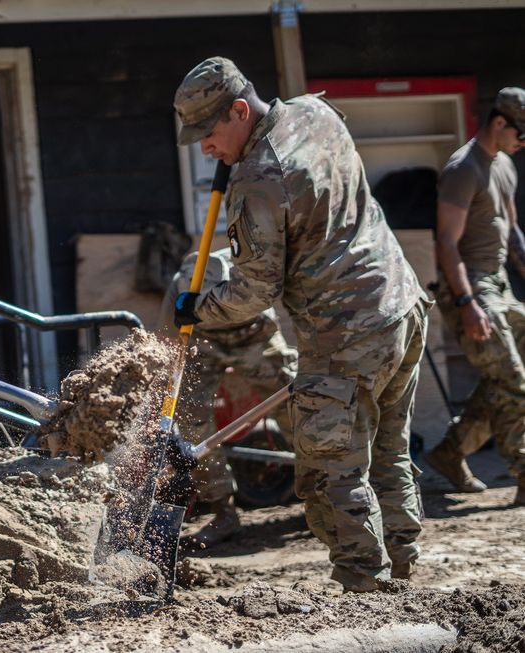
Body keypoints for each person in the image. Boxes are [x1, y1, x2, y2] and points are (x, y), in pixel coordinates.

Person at [172, 57, 429, 592]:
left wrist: (195, 306)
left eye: (209, 132)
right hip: (401, 304)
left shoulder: (258, 182)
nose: (205, 148)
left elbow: (252, 293)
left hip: (345, 331)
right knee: (387, 449)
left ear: (240, 110)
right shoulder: (316, 111)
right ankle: (403, 564)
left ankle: (366, 585)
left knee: (328, 470)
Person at [424, 87, 525, 502]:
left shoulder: (504, 165)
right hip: (469, 287)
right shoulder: (463, 169)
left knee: (506, 375)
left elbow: (512, 229)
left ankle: (451, 452)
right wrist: (467, 304)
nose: (524, 143)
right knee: (514, 380)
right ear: (499, 123)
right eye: (522, 133)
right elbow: (446, 243)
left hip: (498, 283)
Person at [158, 248, 296, 545]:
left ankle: (322, 499)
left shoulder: (246, 272)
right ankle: (223, 511)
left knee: (296, 403)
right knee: (191, 422)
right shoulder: (181, 286)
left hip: (254, 335)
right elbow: (168, 342)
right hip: (202, 340)